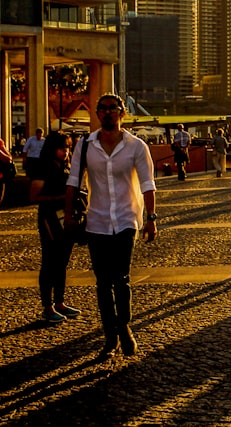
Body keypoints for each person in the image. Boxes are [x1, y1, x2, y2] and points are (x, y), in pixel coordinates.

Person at [65, 93, 156, 359]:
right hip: (97, 220)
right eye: (102, 109)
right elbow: (73, 181)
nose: (107, 113)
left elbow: (148, 184)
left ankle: (124, 326)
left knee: (122, 279)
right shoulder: (85, 145)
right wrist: (69, 217)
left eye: (112, 109)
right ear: (97, 113)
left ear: (122, 113)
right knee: (103, 282)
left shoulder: (136, 146)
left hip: (127, 219)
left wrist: (151, 218)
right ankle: (109, 336)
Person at [31, 131, 80, 324]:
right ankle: (47, 306)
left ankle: (60, 302)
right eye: (62, 148)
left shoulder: (65, 167)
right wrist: (64, 198)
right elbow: (34, 197)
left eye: (68, 147)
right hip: (49, 218)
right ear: (52, 149)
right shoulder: (43, 168)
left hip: (66, 218)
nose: (66, 151)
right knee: (50, 262)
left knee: (62, 262)